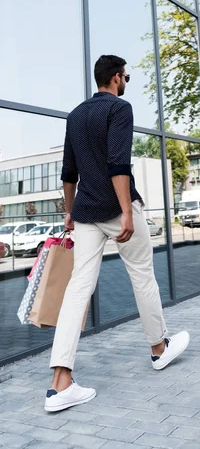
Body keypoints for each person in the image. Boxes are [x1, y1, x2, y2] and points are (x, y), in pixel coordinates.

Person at [45, 55, 190, 413]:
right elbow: (118, 164)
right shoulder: (120, 108)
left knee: (78, 288)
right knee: (142, 276)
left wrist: (69, 212)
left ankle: (60, 383)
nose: (127, 81)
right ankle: (159, 349)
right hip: (115, 207)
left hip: (85, 213)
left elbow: (68, 173)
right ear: (115, 77)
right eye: (126, 76)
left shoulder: (76, 115)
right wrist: (126, 211)